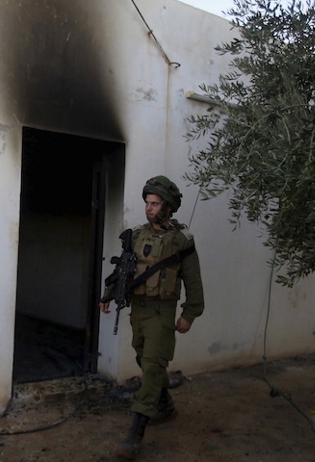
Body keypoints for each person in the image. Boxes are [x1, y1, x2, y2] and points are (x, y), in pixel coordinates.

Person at [99, 176, 205, 460]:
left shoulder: (181, 241)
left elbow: (194, 283)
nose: (149, 208)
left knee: (154, 364)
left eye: (155, 204)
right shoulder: (136, 235)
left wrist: (189, 314)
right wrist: (108, 294)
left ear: (168, 207)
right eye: (147, 203)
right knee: (142, 358)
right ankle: (165, 404)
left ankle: (135, 432)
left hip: (163, 311)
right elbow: (124, 268)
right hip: (140, 309)